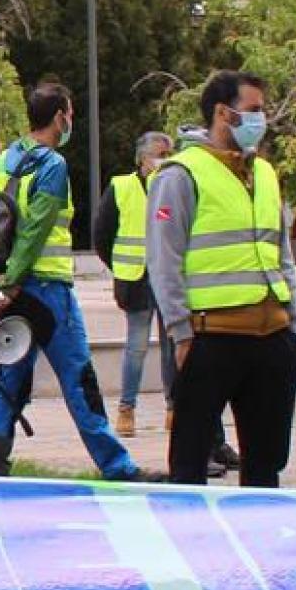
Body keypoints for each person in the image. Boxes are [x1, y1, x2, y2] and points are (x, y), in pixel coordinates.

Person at [0, 83, 148, 481]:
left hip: (8, 293)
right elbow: (36, 229)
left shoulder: (3, 162)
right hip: (49, 291)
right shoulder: (51, 165)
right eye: (70, 113)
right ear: (59, 117)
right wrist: (15, 280)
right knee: (78, 379)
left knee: (10, 382)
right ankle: (117, 466)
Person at [147, 71, 296, 487]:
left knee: (266, 465)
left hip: (272, 339)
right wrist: (181, 334)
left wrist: (293, 314)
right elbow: (165, 261)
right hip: (211, 338)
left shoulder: (266, 174)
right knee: (190, 462)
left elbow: (281, 249)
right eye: (253, 110)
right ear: (223, 113)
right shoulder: (181, 174)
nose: (262, 119)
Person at [93, 131, 175, 436]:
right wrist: (118, 266)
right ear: (142, 157)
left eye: (167, 154)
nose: (162, 160)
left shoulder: (172, 186)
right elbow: (102, 234)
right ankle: (126, 409)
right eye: (157, 154)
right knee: (136, 347)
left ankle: (173, 408)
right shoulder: (121, 187)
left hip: (167, 278)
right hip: (135, 280)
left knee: (172, 348)